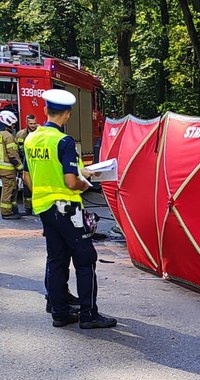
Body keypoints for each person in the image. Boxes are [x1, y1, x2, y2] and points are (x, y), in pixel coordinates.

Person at [23, 89, 117, 329]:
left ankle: (60, 312)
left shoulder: (31, 138)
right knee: (86, 259)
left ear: (45, 111)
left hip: (44, 207)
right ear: (67, 115)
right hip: (67, 209)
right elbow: (70, 181)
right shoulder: (63, 142)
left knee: (56, 259)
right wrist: (85, 182)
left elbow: (26, 176)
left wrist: (44, 195)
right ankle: (88, 315)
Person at [0, 110, 23, 220]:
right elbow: (13, 155)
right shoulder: (8, 136)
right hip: (8, 170)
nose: (14, 126)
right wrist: (21, 168)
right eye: (13, 124)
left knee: (10, 188)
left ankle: (12, 209)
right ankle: (6, 213)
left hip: (2, 168)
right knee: (8, 189)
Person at [14, 114, 39, 215]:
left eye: (34, 123)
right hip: (26, 162)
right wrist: (20, 166)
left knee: (39, 187)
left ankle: (39, 208)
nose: (33, 125)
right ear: (27, 123)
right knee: (27, 188)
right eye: (31, 123)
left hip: (38, 163)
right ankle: (28, 209)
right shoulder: (21, 134)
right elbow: (17, 151)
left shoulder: (40, 133)